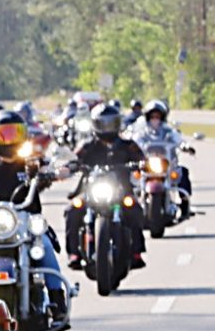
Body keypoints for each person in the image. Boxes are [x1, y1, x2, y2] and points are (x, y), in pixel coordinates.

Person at [61, 102, 149, 268]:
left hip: (121, 190)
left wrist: (143, 164)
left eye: (111, 123)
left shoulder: (127, 145)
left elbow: (141, 158)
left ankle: (137, 252)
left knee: (135, 209)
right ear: (96, 124)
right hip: (91, 190)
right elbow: (75, 159)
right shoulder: (88, 146)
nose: (107, 128)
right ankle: (73, 254)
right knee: (72, 211)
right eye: (103, 123)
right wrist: (70, 166)